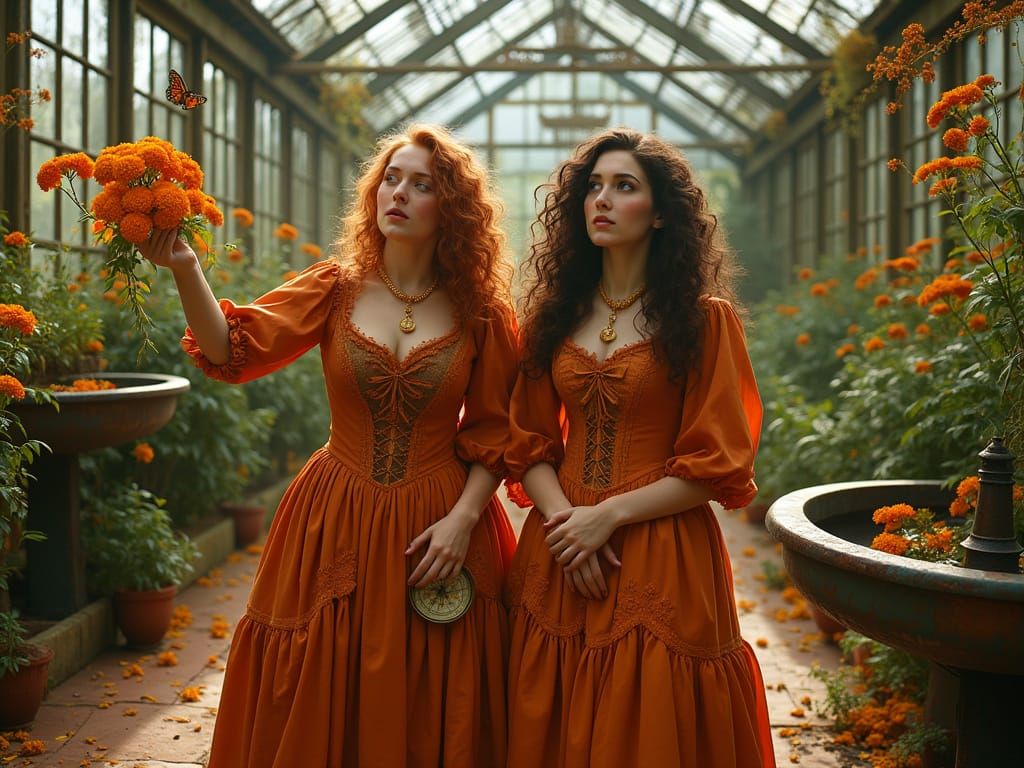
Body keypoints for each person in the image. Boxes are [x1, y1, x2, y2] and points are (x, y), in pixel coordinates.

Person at [139, 124, 518, 767]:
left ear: (450, 208)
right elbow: (233, 348)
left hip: (440, 523)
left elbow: (494, 433)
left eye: (421, 184)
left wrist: (463, 519)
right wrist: (186, 268)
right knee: (318, 671)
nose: (398, 192)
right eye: (391, 178)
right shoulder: (334, 287)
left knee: (434, 684)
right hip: (334, 513)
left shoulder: (481, 313)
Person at [504, 128, 775, 768]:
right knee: (553, 716)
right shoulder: (552, 316)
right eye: (593, 186)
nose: (601, 199)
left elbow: (720, 465)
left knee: (649, 728)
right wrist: (568, 525)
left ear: (659, 214)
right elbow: (528, 440)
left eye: (624, 186)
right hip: (560, 549)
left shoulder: (703, 321)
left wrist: (609, 516)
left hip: (660, 550)